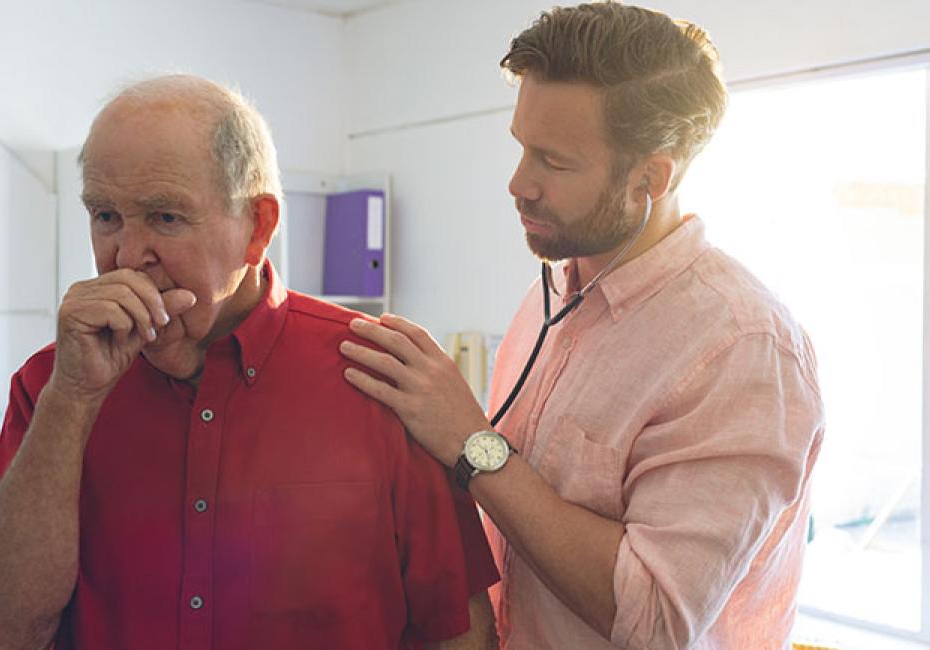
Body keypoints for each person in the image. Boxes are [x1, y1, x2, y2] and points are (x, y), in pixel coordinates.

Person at [337, 3, 825, 649]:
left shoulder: (742, 349)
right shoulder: (554, 291)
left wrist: (470, 441)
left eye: (554, 162)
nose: (519, 184)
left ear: (651, 177)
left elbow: (653, 618)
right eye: (520, 148)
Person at [0, 75, 498, 650]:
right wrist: (72, 402)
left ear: (257, 228)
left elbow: (460, 631)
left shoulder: (379, 376)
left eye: (165, 217)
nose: (128, 256)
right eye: (106, 215)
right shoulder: (51, 385)